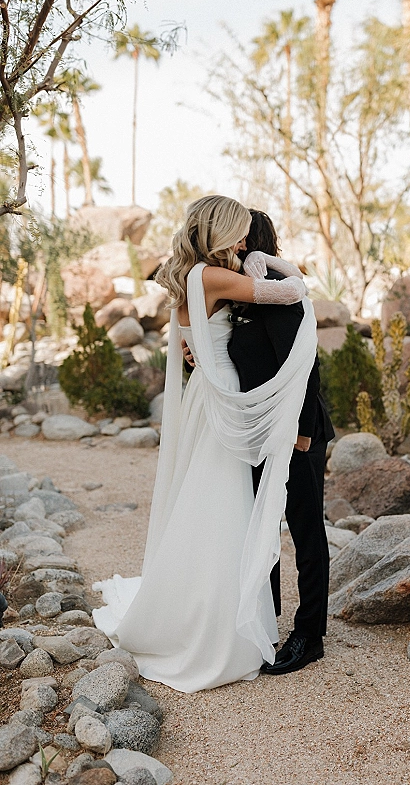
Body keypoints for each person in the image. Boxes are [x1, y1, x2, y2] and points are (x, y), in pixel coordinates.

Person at [92, 195, 318, 693]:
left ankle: (207, 613)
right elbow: (294, 290)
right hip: (224, 405)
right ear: (219, 235)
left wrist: (202, 356)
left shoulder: (186, 275)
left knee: (210, 507)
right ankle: (216, 631)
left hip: (206, 397)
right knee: (223, 510)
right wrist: (265, 260)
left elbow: (192, 341)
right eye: (237, 235)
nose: (243, 243)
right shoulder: (214, 277)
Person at [184, 210, 334, 674]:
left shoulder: (278, 299)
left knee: (305, 528)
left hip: (296, 435)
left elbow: (301, 366)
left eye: (243, 240)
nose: (236, 247)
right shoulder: (240, 300)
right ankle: (264, 623)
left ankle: (310, 633)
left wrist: (303, 434)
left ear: (256, 244)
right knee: (259, 528)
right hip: (255, 432)